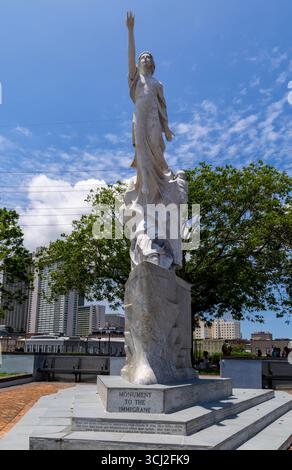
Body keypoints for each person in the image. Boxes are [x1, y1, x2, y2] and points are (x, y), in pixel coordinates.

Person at [126, 11, 174, 203]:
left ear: (153, 64)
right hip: (139, 116)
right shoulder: (135, 79)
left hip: (154, 118)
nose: (145, 59)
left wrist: (167, 129)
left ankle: (162, 181)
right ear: (138, 64)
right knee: (142, 149)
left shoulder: (157, 84)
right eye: (142, 57)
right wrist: (130, 31)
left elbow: (163, 108)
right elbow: (130, 58)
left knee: (154, 147)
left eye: (148, 57)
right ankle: (145, 184)